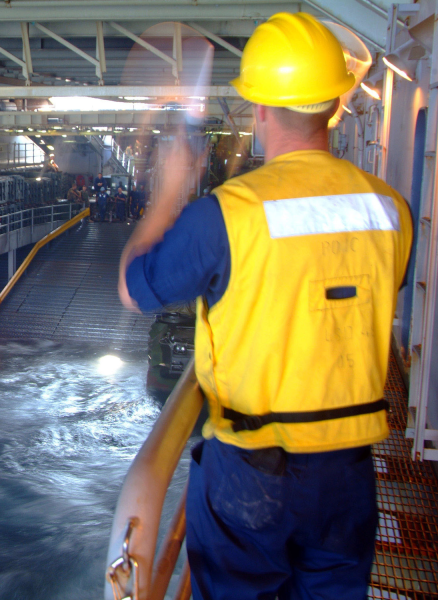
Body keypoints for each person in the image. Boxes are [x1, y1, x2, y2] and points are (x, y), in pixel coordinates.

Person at [118, 12, 413, 600]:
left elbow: (135, 286)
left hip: (251, 475)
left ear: (259, 110)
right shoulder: (392, 209)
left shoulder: (229, 213)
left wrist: (167, 193)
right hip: (349, 473)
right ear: (333, 107)